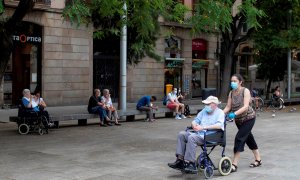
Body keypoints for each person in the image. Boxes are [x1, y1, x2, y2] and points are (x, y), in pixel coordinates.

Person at [168, 96, 225, 174]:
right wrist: (194, 125)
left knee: (192, 138)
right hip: (199, 134)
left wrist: (203, 127)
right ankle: (180, 161)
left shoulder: (220, 113)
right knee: (182, 134)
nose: (206, 106)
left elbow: (219, 125)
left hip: (211, 136)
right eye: (206, 104)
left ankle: (191, 163)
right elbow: (196, 120)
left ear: (214, 104)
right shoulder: (204, 111)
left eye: (208, 104)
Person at [223, 74, 262, 173]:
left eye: (235, 81)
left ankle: (234, 164)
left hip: (249, 118)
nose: (232, 83)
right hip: (239, 120)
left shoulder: (245, 91)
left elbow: (245, 106)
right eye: (232, 81)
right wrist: (219, 114)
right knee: (249, 139)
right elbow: (228, 107)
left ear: (240, 82)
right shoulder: (231, 93)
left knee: (239, 138)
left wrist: (233, 114)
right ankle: (258, 159)